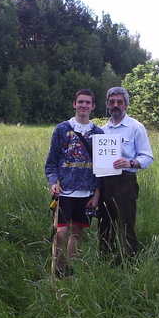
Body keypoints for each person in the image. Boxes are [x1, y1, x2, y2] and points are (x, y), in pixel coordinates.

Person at [45, 89, 104, 277]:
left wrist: (96, 194)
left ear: (93, 106)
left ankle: (71, 271)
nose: (84, 105)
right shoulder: (62, 129)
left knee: (78, 234)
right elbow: (51, 162)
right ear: (74, 104)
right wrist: (53, 182)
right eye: (81, 102)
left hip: (87, 194)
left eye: (88, 102)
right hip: (64, 192)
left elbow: (102, 169)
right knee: (61, 233)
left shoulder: (99, 133)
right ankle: (58, 271)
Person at [99, 86, 153, 262]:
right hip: (104, 181)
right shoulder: (101, 131)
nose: (115, 105)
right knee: (104, 224)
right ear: (107, 104)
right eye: (112, 102)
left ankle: (129, 261)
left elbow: (147, 157)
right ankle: (105, 260)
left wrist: (130, 162)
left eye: (119, 102)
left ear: (126, 105)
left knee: (126, 223)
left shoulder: (136, 127)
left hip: (125, 181)